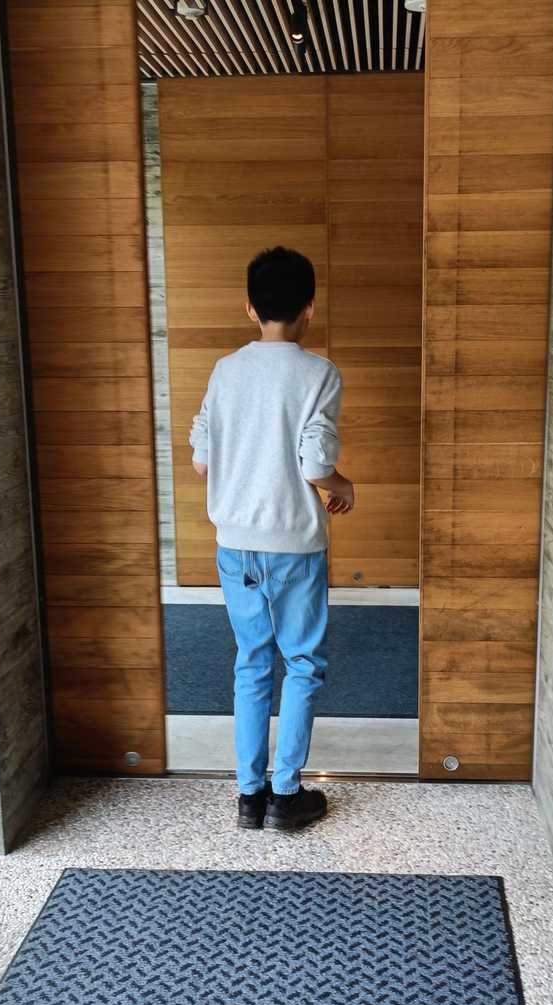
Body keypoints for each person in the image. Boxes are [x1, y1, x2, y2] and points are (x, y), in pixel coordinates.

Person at [189, 247, 355, 832]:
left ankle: (248, 795)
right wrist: (343, 487)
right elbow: (316, 464)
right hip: (295, 545)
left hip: (235, 543)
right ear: (310, 306)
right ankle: (286, 795)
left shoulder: (225, 371)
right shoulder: (319, 373)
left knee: (252, 662)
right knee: (302, 663)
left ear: (249, 307)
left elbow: (202, 461)